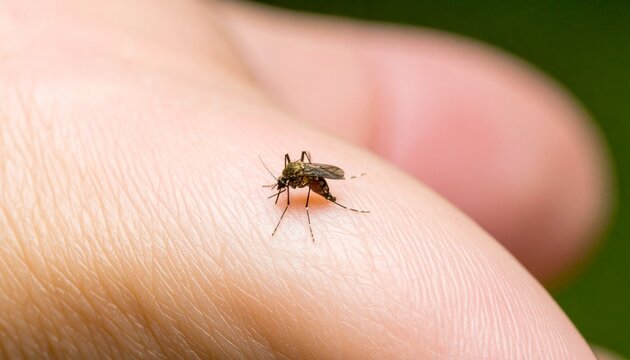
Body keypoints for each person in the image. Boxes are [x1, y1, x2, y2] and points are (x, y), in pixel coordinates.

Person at [0, 0, 614, 358]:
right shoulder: (289, 180)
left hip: (327, 173)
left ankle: (338, 207)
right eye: (288, 188)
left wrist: (314, 196)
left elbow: (303, 181)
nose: (287, 191)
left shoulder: (305, 183)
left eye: (288, 187)